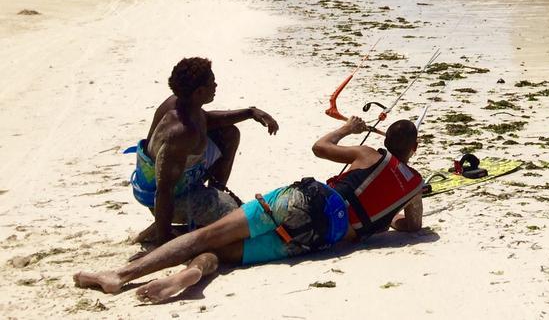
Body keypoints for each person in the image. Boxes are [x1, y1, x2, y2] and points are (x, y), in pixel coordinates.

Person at [76, 116, 423, 304]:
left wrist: (348, 128)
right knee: (218, 254)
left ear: (387, 142)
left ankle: (118, 277)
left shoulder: (369, 155)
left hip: (303, 201)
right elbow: (412, 226)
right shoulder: (414, 185)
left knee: (204, 235)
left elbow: (320, 147)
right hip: (321, 236)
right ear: (414, 148)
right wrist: (391, 220)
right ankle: (193, 274)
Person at [130, 57, 279, 246]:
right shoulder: (180, 133)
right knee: (235, 217)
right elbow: (164, 191)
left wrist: (250, 113)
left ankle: (206, 208)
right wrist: (164, 240)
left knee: (229, 134)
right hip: (170, 199)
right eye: (211, 83)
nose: (216, 85)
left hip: (182, 179)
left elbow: (208, 119)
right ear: (199, 92)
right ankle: (171, 228)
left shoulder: (183, 105)